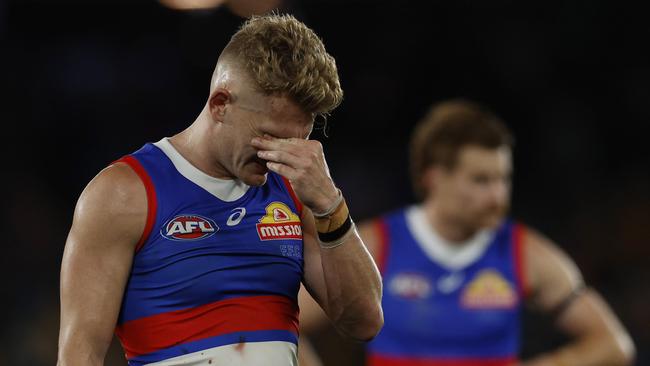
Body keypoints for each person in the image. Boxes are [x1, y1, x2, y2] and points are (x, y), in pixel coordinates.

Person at [57, 14, 383, 366]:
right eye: (271, 136)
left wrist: (329, 204)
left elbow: (364, 321)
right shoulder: (125, 193)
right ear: (220, 103)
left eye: (297, 139)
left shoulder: (294, 192)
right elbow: (81, 352)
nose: (279, 154)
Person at [298, 99, 635, 366]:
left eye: (503, 179)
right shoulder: (374, 245)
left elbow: (614, 344)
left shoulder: (525, 252)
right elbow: (282, 319)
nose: (498, 196)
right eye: (481, 180)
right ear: (434, 177)